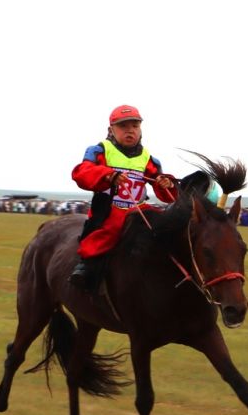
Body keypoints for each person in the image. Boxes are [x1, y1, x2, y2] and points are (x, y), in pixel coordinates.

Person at [69, 105, 178, 291]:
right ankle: (86, 270)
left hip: (139, 212)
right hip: (109, 212)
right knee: (104, 237)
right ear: (111, 129)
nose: (130, 131)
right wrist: (107, 175)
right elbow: (82, 173)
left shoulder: (148, 158)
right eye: (123, 126)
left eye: (135, 126)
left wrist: (166, 183)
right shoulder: (99, 150)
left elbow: (165, 193)